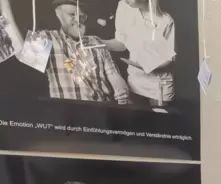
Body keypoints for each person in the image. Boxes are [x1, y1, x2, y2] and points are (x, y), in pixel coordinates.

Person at [0, 0, 130, 104]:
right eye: (72, 14)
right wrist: (5, 7)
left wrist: (121, 90)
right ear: (59, 15)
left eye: (82, 16)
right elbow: (22, 55)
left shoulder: (95, 42)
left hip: (103, 110)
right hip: (68, 114)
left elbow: (113, 74)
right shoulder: (47, 38)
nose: (78, 19)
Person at [96, 0, 176, 107]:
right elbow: (122, 44)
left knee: (157, 122)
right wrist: (98, 42)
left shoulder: (165, 20)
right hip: (133, 83)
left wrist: (145, 66)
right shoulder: (124, 7)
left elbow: (168, 59)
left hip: (158, 86)